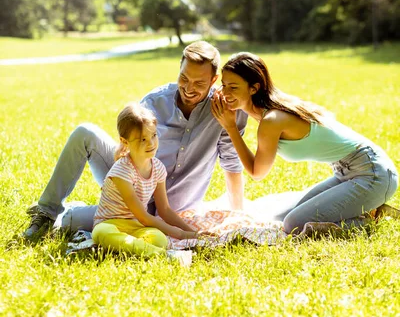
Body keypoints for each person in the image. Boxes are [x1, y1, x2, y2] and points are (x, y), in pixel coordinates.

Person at [23, 41, 247, 241]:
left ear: (214, 80)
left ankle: (71, 211)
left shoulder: (225, 111)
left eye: (199, 83)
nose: (189, 89)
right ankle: (46, 211)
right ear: (178, 69)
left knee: (70, 222)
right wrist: (122, 154)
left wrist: (238, 216)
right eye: (184, 78)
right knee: (85, 132)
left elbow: (232, 162)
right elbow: (125, 146)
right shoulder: (155, 101)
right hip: (131, 188)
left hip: (169, 209)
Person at [211, 52, 399, 234]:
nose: (225, 92)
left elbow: (257, 173)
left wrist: (231, 128)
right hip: (346, 173)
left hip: (373, 174)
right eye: (223, 84)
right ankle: (364, 207)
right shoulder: (268, 109)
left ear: (254, 88)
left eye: (233, 87)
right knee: (279, 217)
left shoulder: (272, 119)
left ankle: (372, 217)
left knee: (294, 224)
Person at [92, 102, 196, 265]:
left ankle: (137, 248)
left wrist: (192, 232)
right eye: (142, 139)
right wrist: (180, 235)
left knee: (159, 239)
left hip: (136, 227)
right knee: (101, 234)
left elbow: (165, 209)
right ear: (124, 141)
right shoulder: (122, 171)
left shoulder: (158, 168)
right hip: (110, 224)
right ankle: (164, 256)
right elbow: (143, 216)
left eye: (153, 135)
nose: (151, 143)